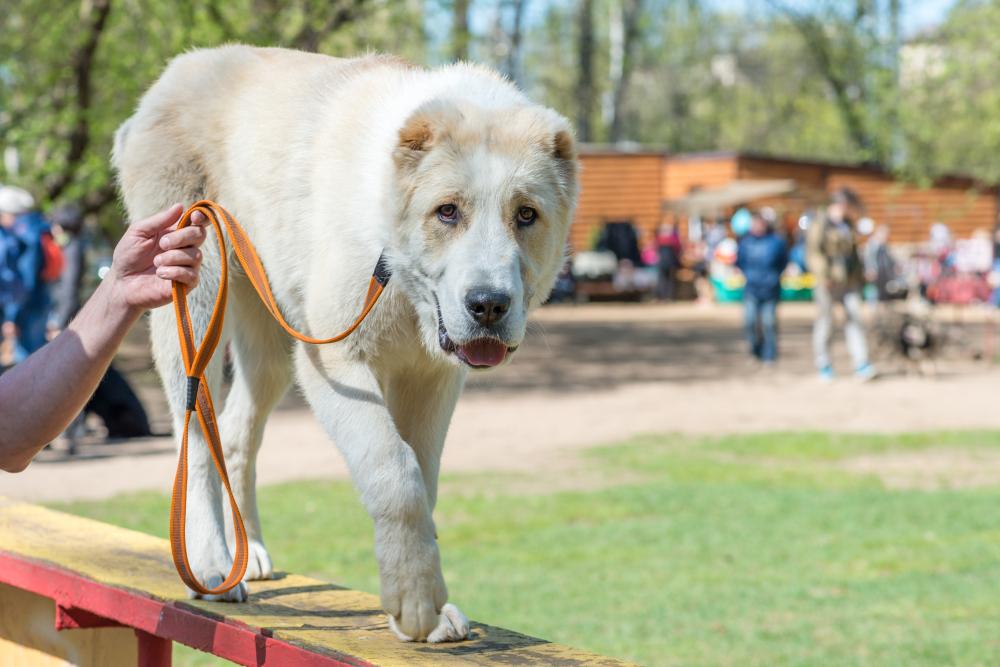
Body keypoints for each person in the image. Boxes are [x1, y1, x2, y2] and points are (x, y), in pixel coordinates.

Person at [0, 203, 207, 472]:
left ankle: (73, 434)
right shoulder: (66, 244)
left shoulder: (65, 247)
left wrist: (121, 290)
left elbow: (7, 431)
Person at [806, 188, 875, 381]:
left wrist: (861, 275)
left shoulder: (848, 225)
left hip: (849, 281)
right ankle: (824, 364)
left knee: (855, 319)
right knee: (825, 322)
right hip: (827, 282)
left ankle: (861, 362)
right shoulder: (820, 223)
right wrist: (823, 275)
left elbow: (853, 254)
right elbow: (813, 252)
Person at [736, 212, 788, 365]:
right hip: (751, 287)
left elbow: (783, 262)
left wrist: (773, 277)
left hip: (770, 288)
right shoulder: (745, 242)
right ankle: (754, 351)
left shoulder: (776, 242)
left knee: (768, 322)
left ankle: (770, 354)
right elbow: (740, 261)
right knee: (750, 321)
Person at [655, 222, 682, 301]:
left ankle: (664, 296)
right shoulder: (673, 239)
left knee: (664, 280)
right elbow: (678, 248)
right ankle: (667, 296)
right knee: (668, 280)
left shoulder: (659, 239)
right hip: (669, 262)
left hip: (664, 262)